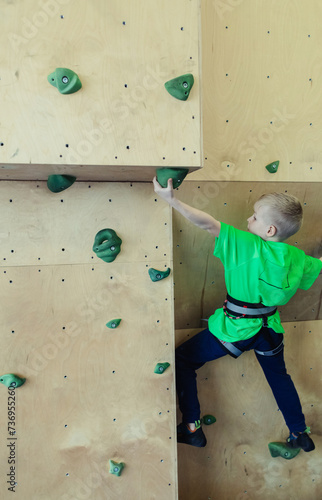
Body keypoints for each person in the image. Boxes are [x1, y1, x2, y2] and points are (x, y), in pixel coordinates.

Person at [153, 176, 322, 451]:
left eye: (254, 217)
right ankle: (299, 431)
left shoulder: (245, 244)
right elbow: (318, 265)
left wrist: (172, 200)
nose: (248, 219)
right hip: (271, 332)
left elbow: (207, 223)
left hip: (236, 330)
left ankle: (192, 427)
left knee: (183, 360)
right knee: (280, 378)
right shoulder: (296, 257)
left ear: (269, 229)